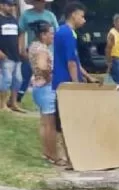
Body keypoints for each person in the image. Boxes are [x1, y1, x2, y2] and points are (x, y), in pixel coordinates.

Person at [27, 21, 64, 165]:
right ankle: (54, 155)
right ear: (43, 35)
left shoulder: (33, 46)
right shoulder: (42, 49)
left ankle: (46, 153)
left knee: (44, 123)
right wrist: (49, 76)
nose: (52, 36)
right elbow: (42, 66)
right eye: (51, 33)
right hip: (46, 88)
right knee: (50, 125)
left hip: (38, 87)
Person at [17, 0, 57, 104]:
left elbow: (56, 32)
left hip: (48, 49)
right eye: (39, 2)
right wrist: (21, 49)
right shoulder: (26, 15)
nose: (41, 4)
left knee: (46, 71)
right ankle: (19, 95)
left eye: (43, 2)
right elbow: (21, 32)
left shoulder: (50, 15)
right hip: (33, 49)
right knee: (27, 73)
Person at [52, 2, 94, 91]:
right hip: (66, 83)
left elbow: (75, 60)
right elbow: (71, 63)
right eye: (82, 16)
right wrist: (76, 84)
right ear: (74, 15)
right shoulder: (68, 33)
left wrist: (86, 75)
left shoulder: (61, 30)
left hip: (60, 81)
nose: (84, 20)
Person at [0, 0, 25, 113]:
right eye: (9, 5)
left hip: (16, 55)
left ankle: (13, 103)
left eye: (12, 5)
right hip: (5, 56)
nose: (11, 8)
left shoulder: (14, 19)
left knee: (18, 80)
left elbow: (20, 34)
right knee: (6, 80)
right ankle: (2, 104)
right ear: (2, 5)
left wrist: (20, 47)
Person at [105, 15, 119, 85]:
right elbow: (108, 49)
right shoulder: (112, 34)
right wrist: (109, 62)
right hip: (117, 61)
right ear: (114, 23)